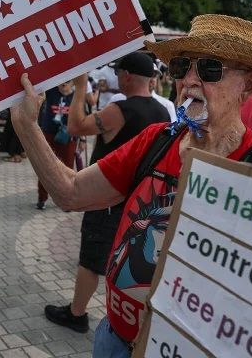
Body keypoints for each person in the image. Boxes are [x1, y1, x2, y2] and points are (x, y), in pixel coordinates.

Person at [11, 14, 252, 356]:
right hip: (112, 339)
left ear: (248, 86)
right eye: (181, 67)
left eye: (209, 68)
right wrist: (26, 124)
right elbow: (70, 192)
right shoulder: (157, 140)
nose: (189, 80)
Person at [42, 52, 169, 333]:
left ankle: (77, 314)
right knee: (131, 261)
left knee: (91, 259)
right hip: (140, 203)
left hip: (107, 199)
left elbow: (75, 126)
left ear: (125, 75)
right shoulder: (161, 112)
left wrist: (80, 86)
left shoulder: (119, 110)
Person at [36, 80, 77, 209]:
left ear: (73, 83)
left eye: (68, 82)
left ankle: (68, 201)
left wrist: (82, 141)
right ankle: (42, 198)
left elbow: (81, 117)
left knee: (68, 170)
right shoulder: (51, 91)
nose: (63, 85)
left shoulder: (76, 96)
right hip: (49, 134)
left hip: (68, 136)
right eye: (61, 82)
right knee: (46, 166)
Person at [109, 62, 177, 122]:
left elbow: (172, 132)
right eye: (146, 75)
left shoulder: (167, 105)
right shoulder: (116, 99)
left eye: (154, 75)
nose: (150, 79)